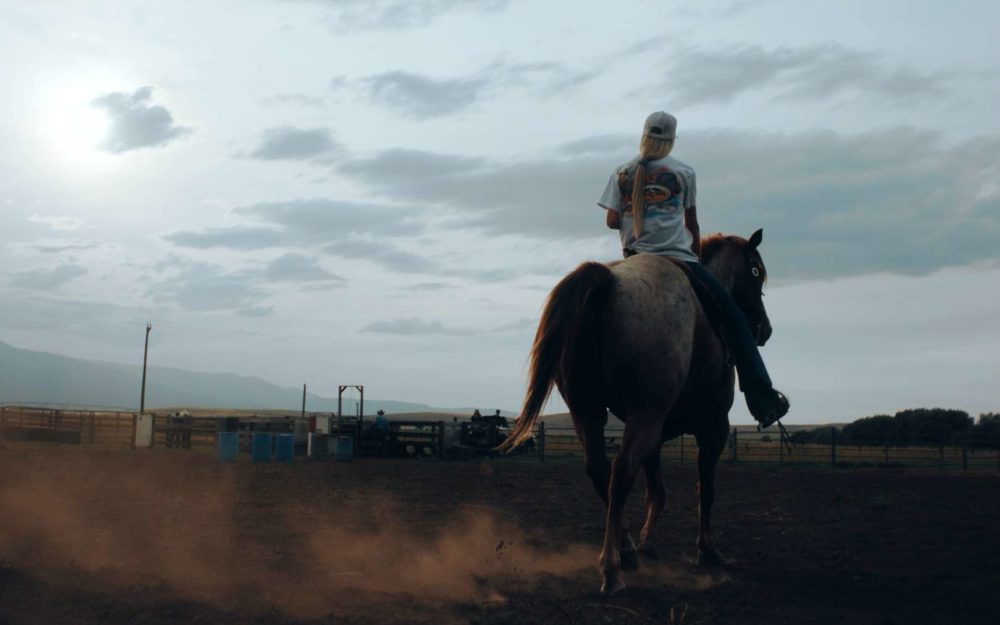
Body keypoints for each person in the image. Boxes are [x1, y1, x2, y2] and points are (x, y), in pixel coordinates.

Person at [597, 111, 789, 426]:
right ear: (671, 139)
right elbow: (692, 224)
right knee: (736, 321)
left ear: (644, 135)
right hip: (677, 258)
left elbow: (612, 221)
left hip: (632, 258)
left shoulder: (622, 172)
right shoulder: (684, 172)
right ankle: (763, 399)